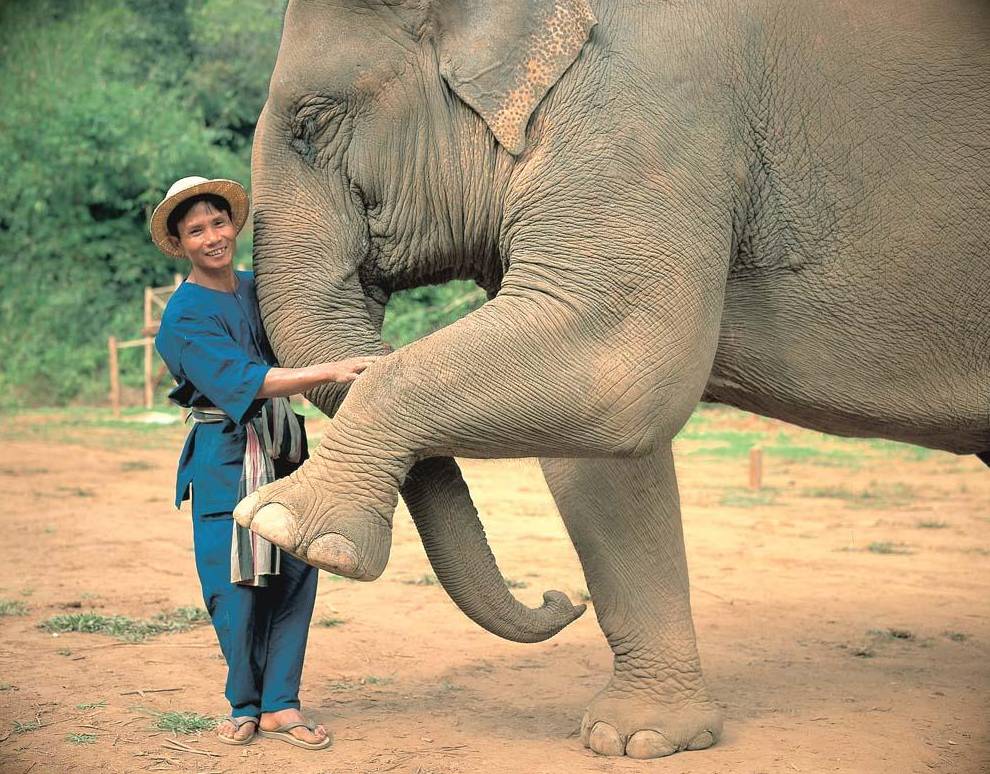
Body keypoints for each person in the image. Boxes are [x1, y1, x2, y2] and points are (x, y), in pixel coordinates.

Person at [150, 176, 376, 749]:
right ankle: (243, 702)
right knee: (234, 585)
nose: (213, 237)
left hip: (286, 448)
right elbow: (243, 380)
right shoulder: (183, 316)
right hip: (225, 455)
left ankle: (280, 704)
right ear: (179, 244)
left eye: (219, 223)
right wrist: (328, 373)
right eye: (196, 230)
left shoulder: (259, 290)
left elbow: (305, 328)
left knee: (297, 570)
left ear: (235, 226)